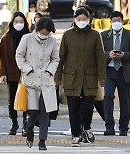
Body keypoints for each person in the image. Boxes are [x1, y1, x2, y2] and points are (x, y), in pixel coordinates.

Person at [55, 7, 106, 147]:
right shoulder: (67, 35)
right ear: (74, 19)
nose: (82, 22)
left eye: (84, 19)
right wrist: (57, 76)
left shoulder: (95, 35)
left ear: (89, 19)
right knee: (73, 108)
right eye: (79, 19)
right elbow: (61, 57)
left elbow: (100, 57)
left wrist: (102, 77)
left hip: (90, 77)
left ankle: (86, 127)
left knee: (88, 106)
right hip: (72, 77)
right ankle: (76, 135)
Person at [16, 17, 59, 150]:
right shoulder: (27, 38)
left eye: (47, 33)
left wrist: (50, 71)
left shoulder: (52, 41)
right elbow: (19, 55)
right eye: (42, 33)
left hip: (46, 81)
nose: (44, 36)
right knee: (33, 113)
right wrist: (27, 69)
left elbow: (56, 59)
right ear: (37, 29)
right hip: (31, 81)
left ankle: (42, 141)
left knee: (45, 113)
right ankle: (29, 133)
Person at [0, 11, 29, 136]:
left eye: (21, 22)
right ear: (12, 23)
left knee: (27, 100)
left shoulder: (29, 37)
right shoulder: (6, 38)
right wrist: (2, 73)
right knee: (12, 101)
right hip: (11, 73)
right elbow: (2, 57)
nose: (19, 24)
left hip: (27, 73)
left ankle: (25, 124)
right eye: (16, 22)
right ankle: (14, 123)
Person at [101, 11, 130, 136]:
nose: (116, 23)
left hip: (124, 71)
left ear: (122, 21)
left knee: (125, 100)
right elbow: (99, 53)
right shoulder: (104, 35)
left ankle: (123, 127)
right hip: (109, 71)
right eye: (114, 21)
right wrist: (109, 54)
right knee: (107, 97)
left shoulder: (128, 35)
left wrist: (124, 55)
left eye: (118, 20)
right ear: (110, 22)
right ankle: (109, 126)